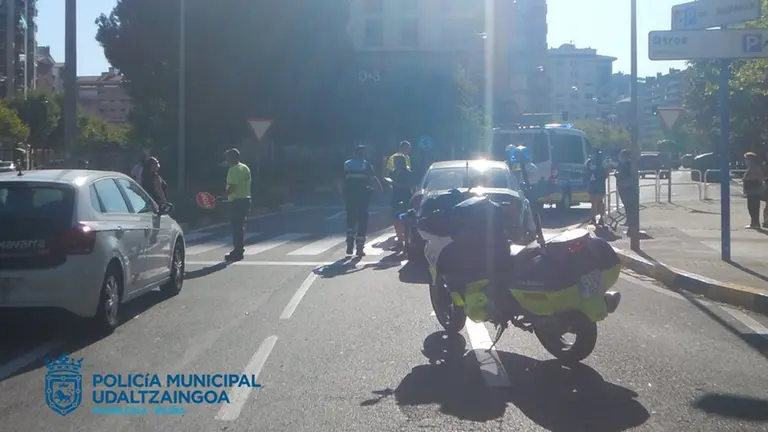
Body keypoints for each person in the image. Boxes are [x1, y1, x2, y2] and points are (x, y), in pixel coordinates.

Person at [339, 145, 382, 257]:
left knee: (350, 218)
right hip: (363, 195)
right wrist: (380, 190)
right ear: (363, 154)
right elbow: (373, 179)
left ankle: (349, 243)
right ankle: (359, 247)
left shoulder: (347, 164)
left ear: (354, 153)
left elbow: (341, 179)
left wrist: (341, 192)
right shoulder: (366, 164)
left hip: (350, 194)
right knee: (363, 219)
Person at [223, 148, 252, 261]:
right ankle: (239, 250)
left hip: (236, 201)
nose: (227, 160)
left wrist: (224, 195)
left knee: (236, 227)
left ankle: (237, 251)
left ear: (233, 158)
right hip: (246, 199)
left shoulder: (233, 170)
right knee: (240, 227)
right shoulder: (245, 168)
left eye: (228, 158)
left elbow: (232, 187)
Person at [390, 154, 415, 253]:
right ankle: (399, 242)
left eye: (397, 162)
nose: (395, 164)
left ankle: (406, 243)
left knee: (405, 220)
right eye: (394, 162)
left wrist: (395, 184)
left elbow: (409, 186)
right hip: (395, 197)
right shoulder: (393, 172)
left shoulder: (407, 173)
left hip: (405, 198)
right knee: (395, 220)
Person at [615, 149, 639, 233]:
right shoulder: (621, 164)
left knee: (630, 206)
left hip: (628, 187)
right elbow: (617, 172)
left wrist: (618, 174)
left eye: (621, 155)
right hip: (622, 187)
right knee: (626, 205)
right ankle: (628, 221)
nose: (619, 157)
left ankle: (631, 223)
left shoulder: (629, 164)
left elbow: (628, 175)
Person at [743, 152, 767, 229]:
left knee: (753, 207)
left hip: (754, 191)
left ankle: (755, 223)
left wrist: (747, 181)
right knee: (751, 207)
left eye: (746, 159)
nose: (745, 161)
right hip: (751, 191)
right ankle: (754, 223)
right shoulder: (751, 168)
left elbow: (757, 178)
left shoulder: (755, 168)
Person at [585, 148, 608, 225]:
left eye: (594, 153)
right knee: (593, 203)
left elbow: (606, 173)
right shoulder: (588, 162)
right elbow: (586, 172)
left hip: (600, 184)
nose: (592, 155)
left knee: (600, 202)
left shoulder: (602, 162)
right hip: (592, 185)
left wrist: (600, 176)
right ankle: (593, 219)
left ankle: (601, 218)